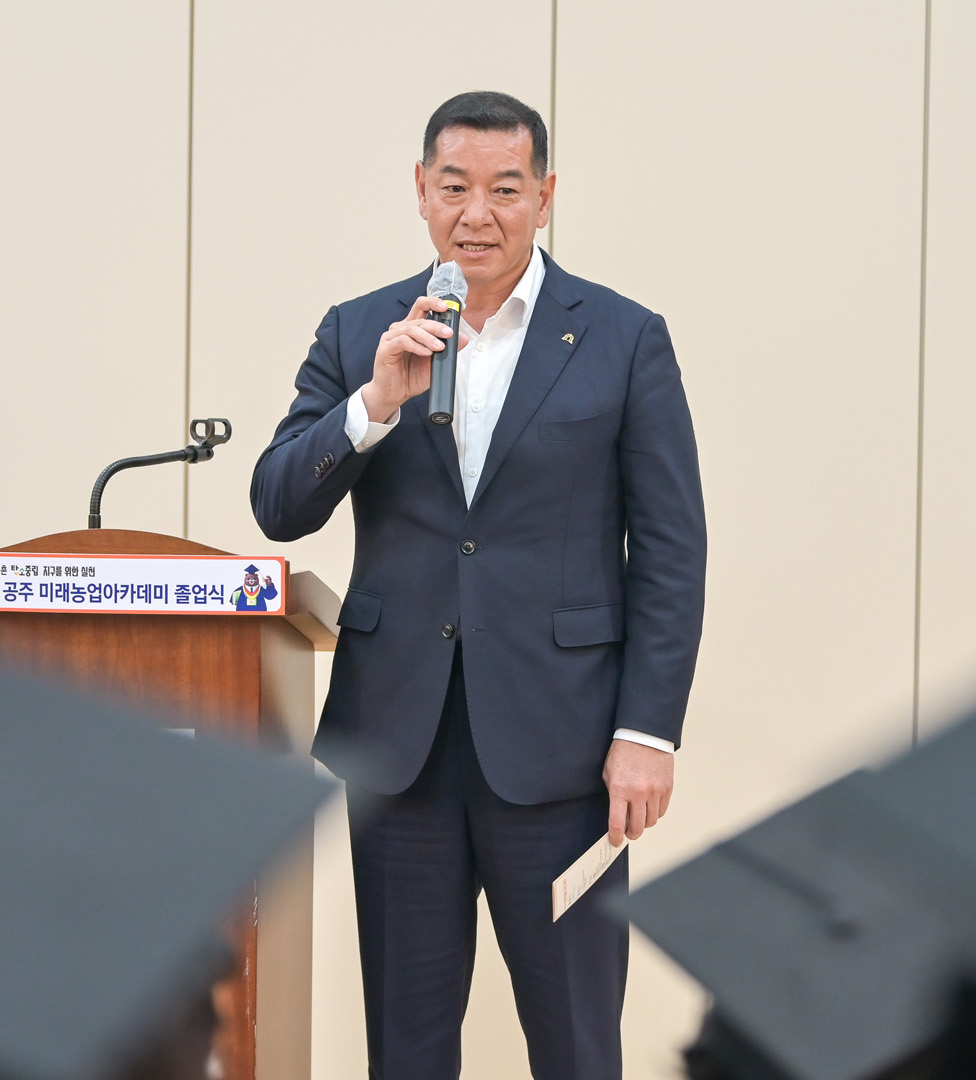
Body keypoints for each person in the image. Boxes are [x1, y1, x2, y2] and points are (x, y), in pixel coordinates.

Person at [251, 90, 706, 1078]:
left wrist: (648, 731)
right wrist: (373, 405)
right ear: (420, 190)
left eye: (505, 189)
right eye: (454, 187)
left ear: (545, 196)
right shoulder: (361, 330)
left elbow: (671, 548)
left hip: (566, 748)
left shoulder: (623, 336)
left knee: (575, 1042)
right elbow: (278, 505)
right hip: (400, 747)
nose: (477, 214)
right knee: (406, 1049)